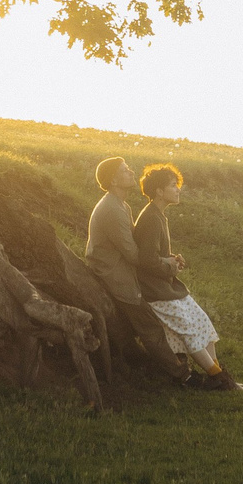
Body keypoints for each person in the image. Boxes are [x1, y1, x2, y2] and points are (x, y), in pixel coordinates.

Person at [133, 163, 243, 390]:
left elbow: (155, 255)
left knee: (202, 323)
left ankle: (219, 375)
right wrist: (171, 267)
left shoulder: (159, 216)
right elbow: (146, 260)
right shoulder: (152, 218)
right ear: (159, 191)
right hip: (157, 291)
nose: (178, 190)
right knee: (190, 331)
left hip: (167, 287)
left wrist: (171, 259)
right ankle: (220, 381)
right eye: (172, 186)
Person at [85, 157, 178, 370]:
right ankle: (181, 373)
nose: (132, 172)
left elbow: (137, 247)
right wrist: (168, 264)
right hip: (114, 274)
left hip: (123, 269)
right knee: (150, 325)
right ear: (114, 181)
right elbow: (134, 256)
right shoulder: (112, 209)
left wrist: (168, 259)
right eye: (125, 170)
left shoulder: (121, 205)